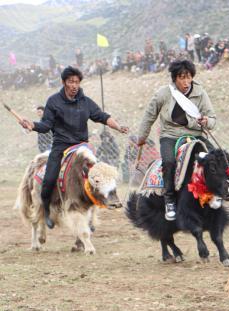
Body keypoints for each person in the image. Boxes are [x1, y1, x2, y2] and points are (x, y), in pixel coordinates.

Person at [18, 66, 128, 228]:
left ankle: (104, 203)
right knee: (49, 179)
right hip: (61, 146)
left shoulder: (86, 102)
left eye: (77, 82)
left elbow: (102, 117)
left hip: (82, 146)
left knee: (99, 173)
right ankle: (47, 209)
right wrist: (32, 125)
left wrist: (118, 127)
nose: (74, 85)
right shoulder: (53, 101)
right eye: (71, 82)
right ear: (64, 82)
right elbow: (46, 125)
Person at [136, 59, 217, 221]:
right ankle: (170, 200)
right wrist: (142, 137)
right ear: (174, 79)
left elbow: (212, 119)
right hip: (170, 135)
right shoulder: (164, 94)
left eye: (189, 77)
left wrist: (207, 121)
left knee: (216, 157)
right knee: (169, 162)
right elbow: (149, 116)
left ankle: (215, 192)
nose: (186, 82)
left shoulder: (200, 93)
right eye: (181, 77)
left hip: (196, 134)